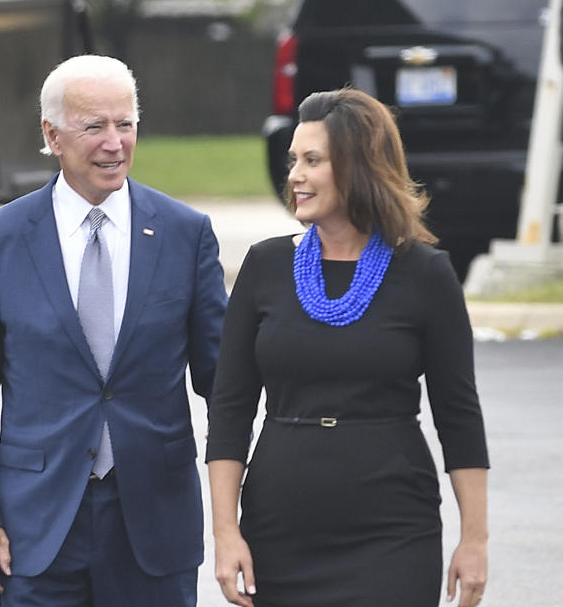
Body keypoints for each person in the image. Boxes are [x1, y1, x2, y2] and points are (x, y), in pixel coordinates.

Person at [0, 54, 228, 607]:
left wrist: (233, 507)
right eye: (94, 126)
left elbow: (224, 387)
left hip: (154, 526)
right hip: (35, 530)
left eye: (126, 124)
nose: (114, 143)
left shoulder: (184, 234)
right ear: (51, 134)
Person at [206, 88, 489, 607]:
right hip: (281, 527)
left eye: (312, 160)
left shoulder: (426, 274)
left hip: (393, 530)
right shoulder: (265, 265)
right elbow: (229, 410)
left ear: (359, 168)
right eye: (293, 159)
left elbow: (460, 416)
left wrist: (475, 540)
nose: (294, 175)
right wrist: (226, 534)